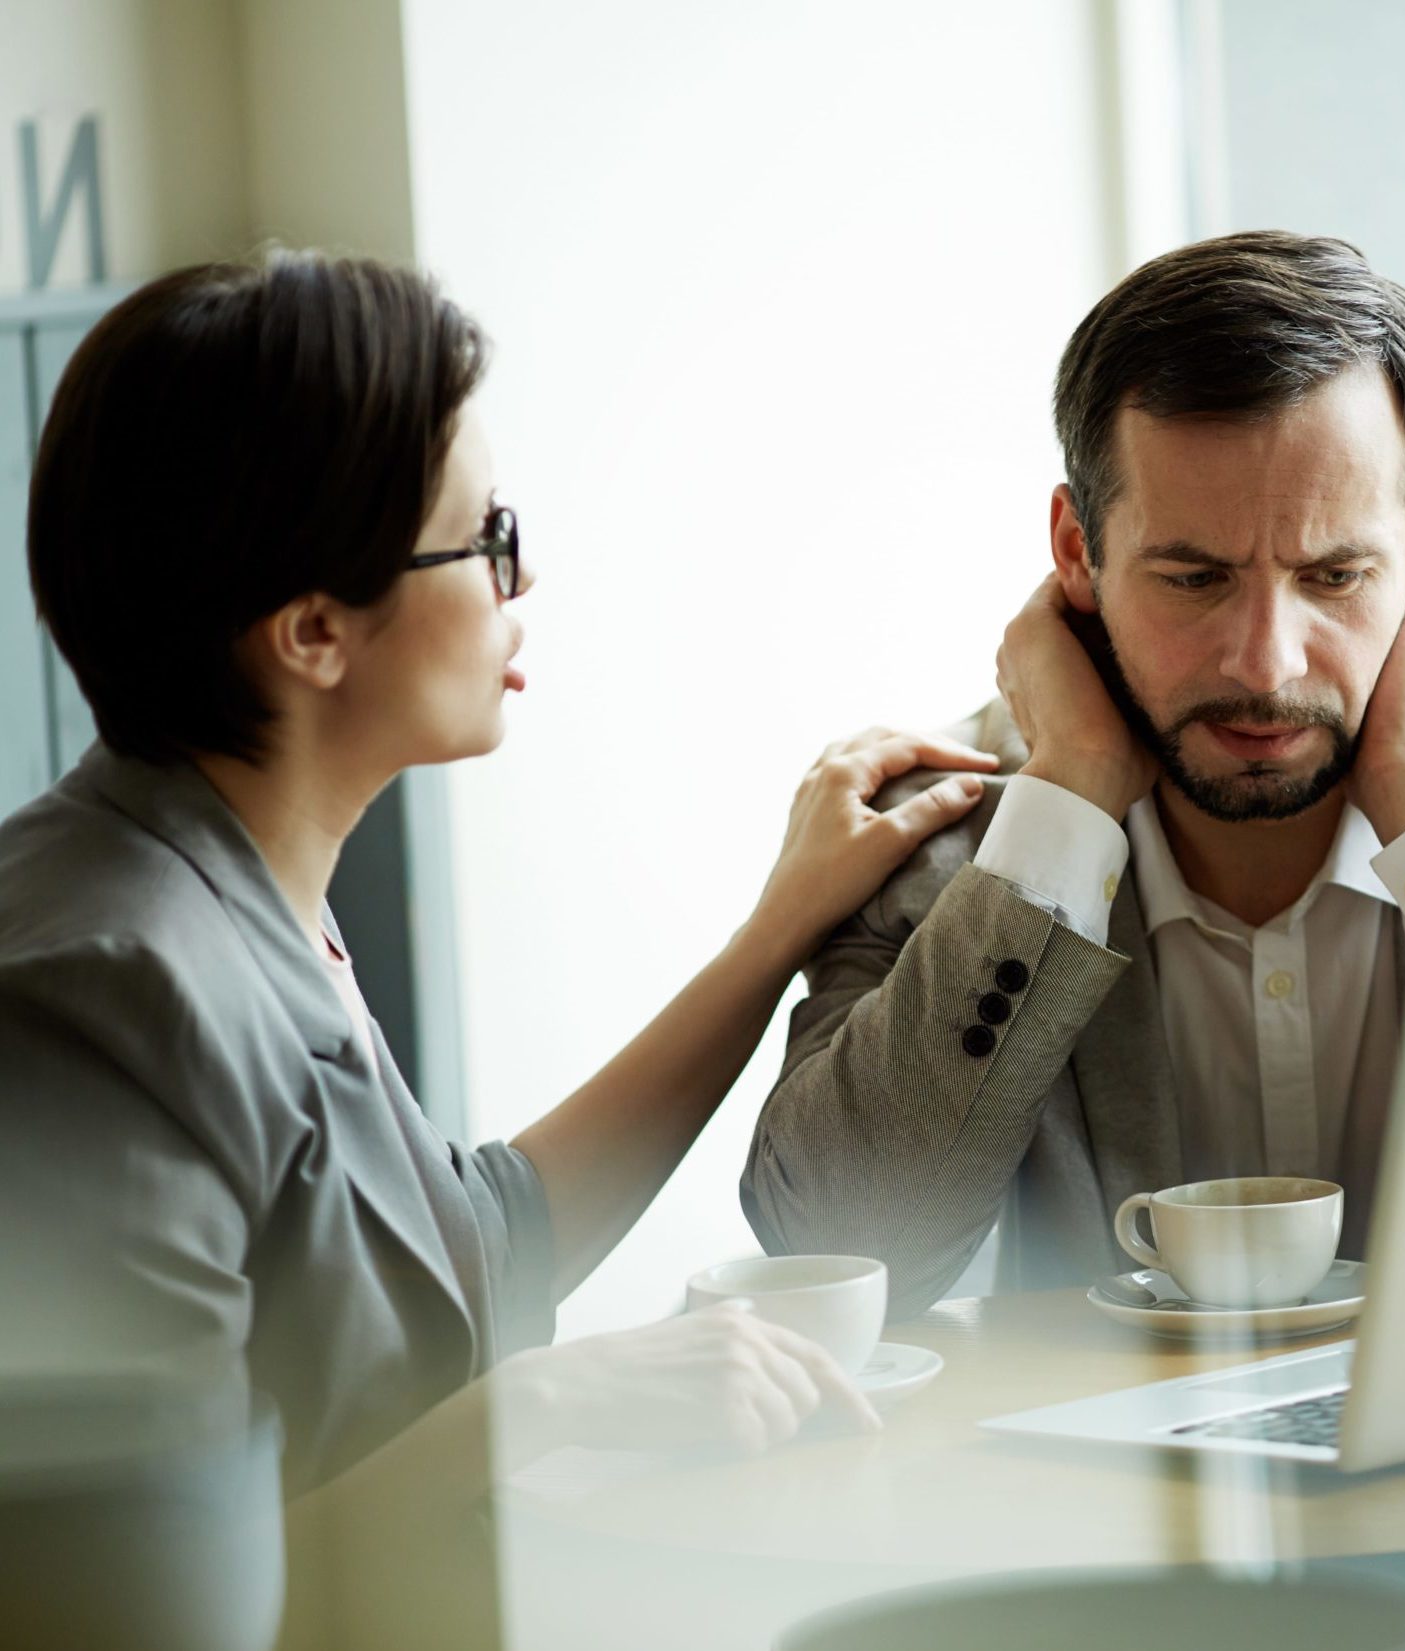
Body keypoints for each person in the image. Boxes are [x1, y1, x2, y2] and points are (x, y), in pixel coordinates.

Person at [0, 253, 1001, 1522]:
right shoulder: (91, 1001)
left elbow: (478, 1249)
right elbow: (147, 1598)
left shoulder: (234, 889)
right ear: (313, 633)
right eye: (487, 540)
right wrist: (548, 1400)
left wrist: (778, 929)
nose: (519, 584)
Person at [743, 230, 1405, 1319]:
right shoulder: (939, 833)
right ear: (1076, 549)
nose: (1265, 662)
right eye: (1192, 577)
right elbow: (835, 1250)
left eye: (1335, 575)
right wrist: (1068, 798)